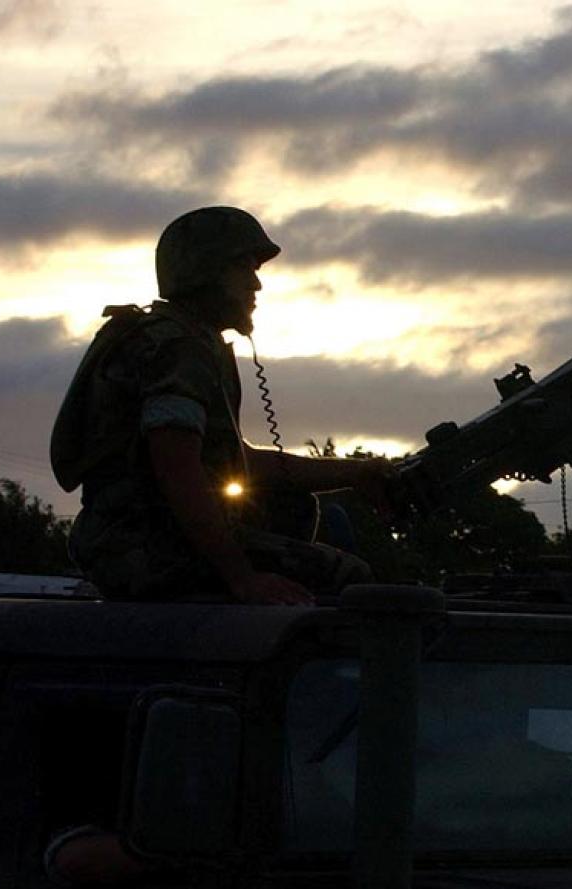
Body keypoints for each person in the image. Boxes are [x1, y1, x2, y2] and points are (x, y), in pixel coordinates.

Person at [51, 206, 396, 605]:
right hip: (143, 548)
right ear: (206, 270)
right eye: (243, 268)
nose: (256, 284)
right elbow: (177, 467)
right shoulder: (178, 348)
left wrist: (354, 472)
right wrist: (243, 579)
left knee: (291, 504)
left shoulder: (187, 339)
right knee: (346, 577)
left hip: (148, 540)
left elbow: (236, 462)